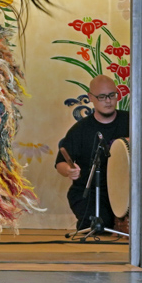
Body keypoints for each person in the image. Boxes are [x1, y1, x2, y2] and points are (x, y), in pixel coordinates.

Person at [55, 75, 129, 231]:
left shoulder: (131, 121)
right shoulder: (80, 130)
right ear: (91, 98)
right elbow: (60, 162)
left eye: (112, 95)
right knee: (100, 225)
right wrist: (69, 170)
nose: (108, 101)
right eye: (102, 97)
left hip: (126, 191)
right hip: (91, 192)